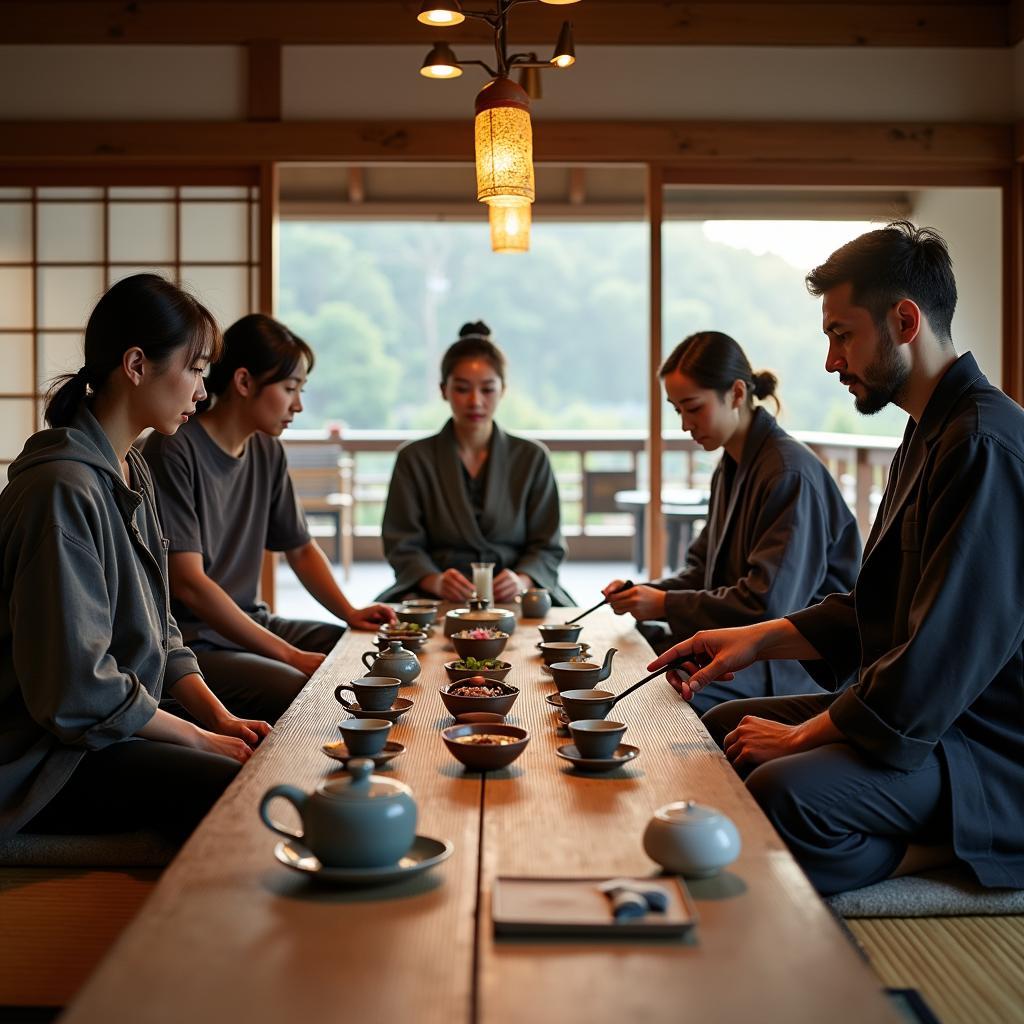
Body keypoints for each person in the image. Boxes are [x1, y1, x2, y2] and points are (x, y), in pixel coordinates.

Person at [650, 221, 1024, 896]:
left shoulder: (985, 444)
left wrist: (804, 738)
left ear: (904, 320)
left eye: (841, 334)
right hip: (923, 717)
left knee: (779, 792)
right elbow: (874, 606)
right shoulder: (927, 433)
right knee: (720, 731)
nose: (830, 360)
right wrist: (749, 642)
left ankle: (944, 849)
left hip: (979, 740)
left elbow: (941, 656)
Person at [0, 274, 269, 844]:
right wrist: (200, 739)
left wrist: (218, 718)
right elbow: (79, 693)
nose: (203, 390)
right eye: (196, 369)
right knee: (241, 795)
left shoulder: (132, 469)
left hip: (113, 724)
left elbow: (161, 629)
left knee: (264, 752)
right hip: (49, 756)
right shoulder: (61, 490)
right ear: (137, 364)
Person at [143, 314, 394, 725]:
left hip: (251, 621)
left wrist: (350, 613)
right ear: (243, 383)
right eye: (290, 388)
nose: (298, 404)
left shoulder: (267, 451)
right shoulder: (174, 450)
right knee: (299, 684)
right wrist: (291, 655)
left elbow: (300, 548)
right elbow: (188, 583)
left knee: (358, 646)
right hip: (194, 642)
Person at [603, 332, 861, 714]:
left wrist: (665, 603)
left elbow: (768, 606)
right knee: (628, 662)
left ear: (737, 394)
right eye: (678, 411)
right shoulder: (731, 464)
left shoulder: (789, 473)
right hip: (741, 652)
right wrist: (645, 593)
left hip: (792, 666)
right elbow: (701, 571)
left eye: (693, 407)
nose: (686, 424)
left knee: (653, 701)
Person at [378, 321, 572, 606]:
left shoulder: (531, 458)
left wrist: (522, 579)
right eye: (462, 388)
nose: (475, 401)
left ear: (503, 390)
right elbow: (402, 543)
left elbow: (547, 544)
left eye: (487, 389)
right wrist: (436, 581)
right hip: (434, 592)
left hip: (514, 592)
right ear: (444, 390)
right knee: (381, 639)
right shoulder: (414, 458)